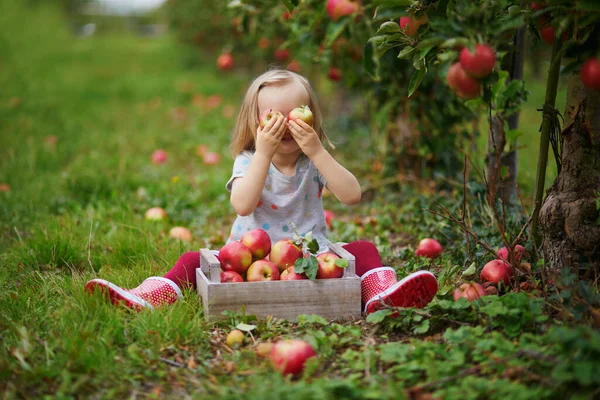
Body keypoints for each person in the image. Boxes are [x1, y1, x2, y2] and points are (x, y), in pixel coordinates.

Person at [84, 68, 438, 313]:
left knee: (363, 249)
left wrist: (317, 151)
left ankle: (381, 294)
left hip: (308, 261)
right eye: (272, 116)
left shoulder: (314, 160)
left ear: (312, 118)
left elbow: (352, 195)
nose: (284, 125)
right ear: (255, 123)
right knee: (194, 261)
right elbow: (242, 204)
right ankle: (152, 295)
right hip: (251, 261)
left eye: (296, 115)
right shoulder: (249, 160)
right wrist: (264, 154)